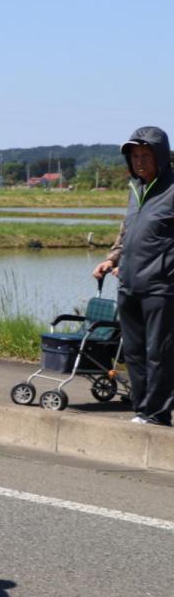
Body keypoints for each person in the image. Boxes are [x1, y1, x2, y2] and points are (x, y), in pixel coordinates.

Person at [93, 126, 174, 427]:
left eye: (145, 155)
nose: (139, 161)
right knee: (134, 352)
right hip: (129, 283)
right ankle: (142, 410)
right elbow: (127, 233)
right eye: (135, 156)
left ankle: (158, 413)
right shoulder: (135, 189)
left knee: (159, 353)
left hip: (162, 287)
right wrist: (111, 259)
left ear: (161, 157)